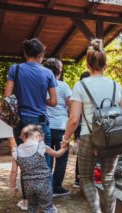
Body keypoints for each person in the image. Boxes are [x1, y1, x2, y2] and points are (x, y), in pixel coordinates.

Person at [61, 39, 122, 213]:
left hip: (89, 137)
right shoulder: (116, 85)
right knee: (109, 179)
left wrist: (65, 140)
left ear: (88, 64)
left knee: (86, 178)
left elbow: (74, 119)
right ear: (105, 64)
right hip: (113, 137)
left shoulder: (81, 86)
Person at [4, 38, 57, 211]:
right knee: (45, 163)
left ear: (25, 53)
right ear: (40, 54)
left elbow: (7, 97)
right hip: (41, 122)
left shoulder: (15, 69)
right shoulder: (48, 73)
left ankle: (28, 201)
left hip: (21, 122)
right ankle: (47, 203)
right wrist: (41, 99)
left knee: (24, 162)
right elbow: (54, 101)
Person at [10, 125, 67, 213]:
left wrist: (13, 187)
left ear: (23, 137)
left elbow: (13, 172)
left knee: (32, 205)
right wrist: (65, 147)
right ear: (37, 136)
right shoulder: (41, 146)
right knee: (47, 206)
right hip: (44, 183)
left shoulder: (16, 151)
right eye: (42, 136)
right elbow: (57, 154)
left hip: (28, 185)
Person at [44, 58, 72, 197]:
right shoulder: (64, 86)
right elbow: (70, 105)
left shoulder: (42, 85)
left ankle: (47, 187)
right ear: (59, 72)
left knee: (47, 157)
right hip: (62, 127)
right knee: (62, 158)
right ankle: (56, 187)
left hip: (46, 126)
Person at [73, 71, 90, 189]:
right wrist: (76, 137)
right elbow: (75, 116)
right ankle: (78, 179)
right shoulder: (79, 91)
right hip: (81, 128)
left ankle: (81, 179)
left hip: (85, 127)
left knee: (83, 155)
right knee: (81, 155)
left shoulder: (80, 90)